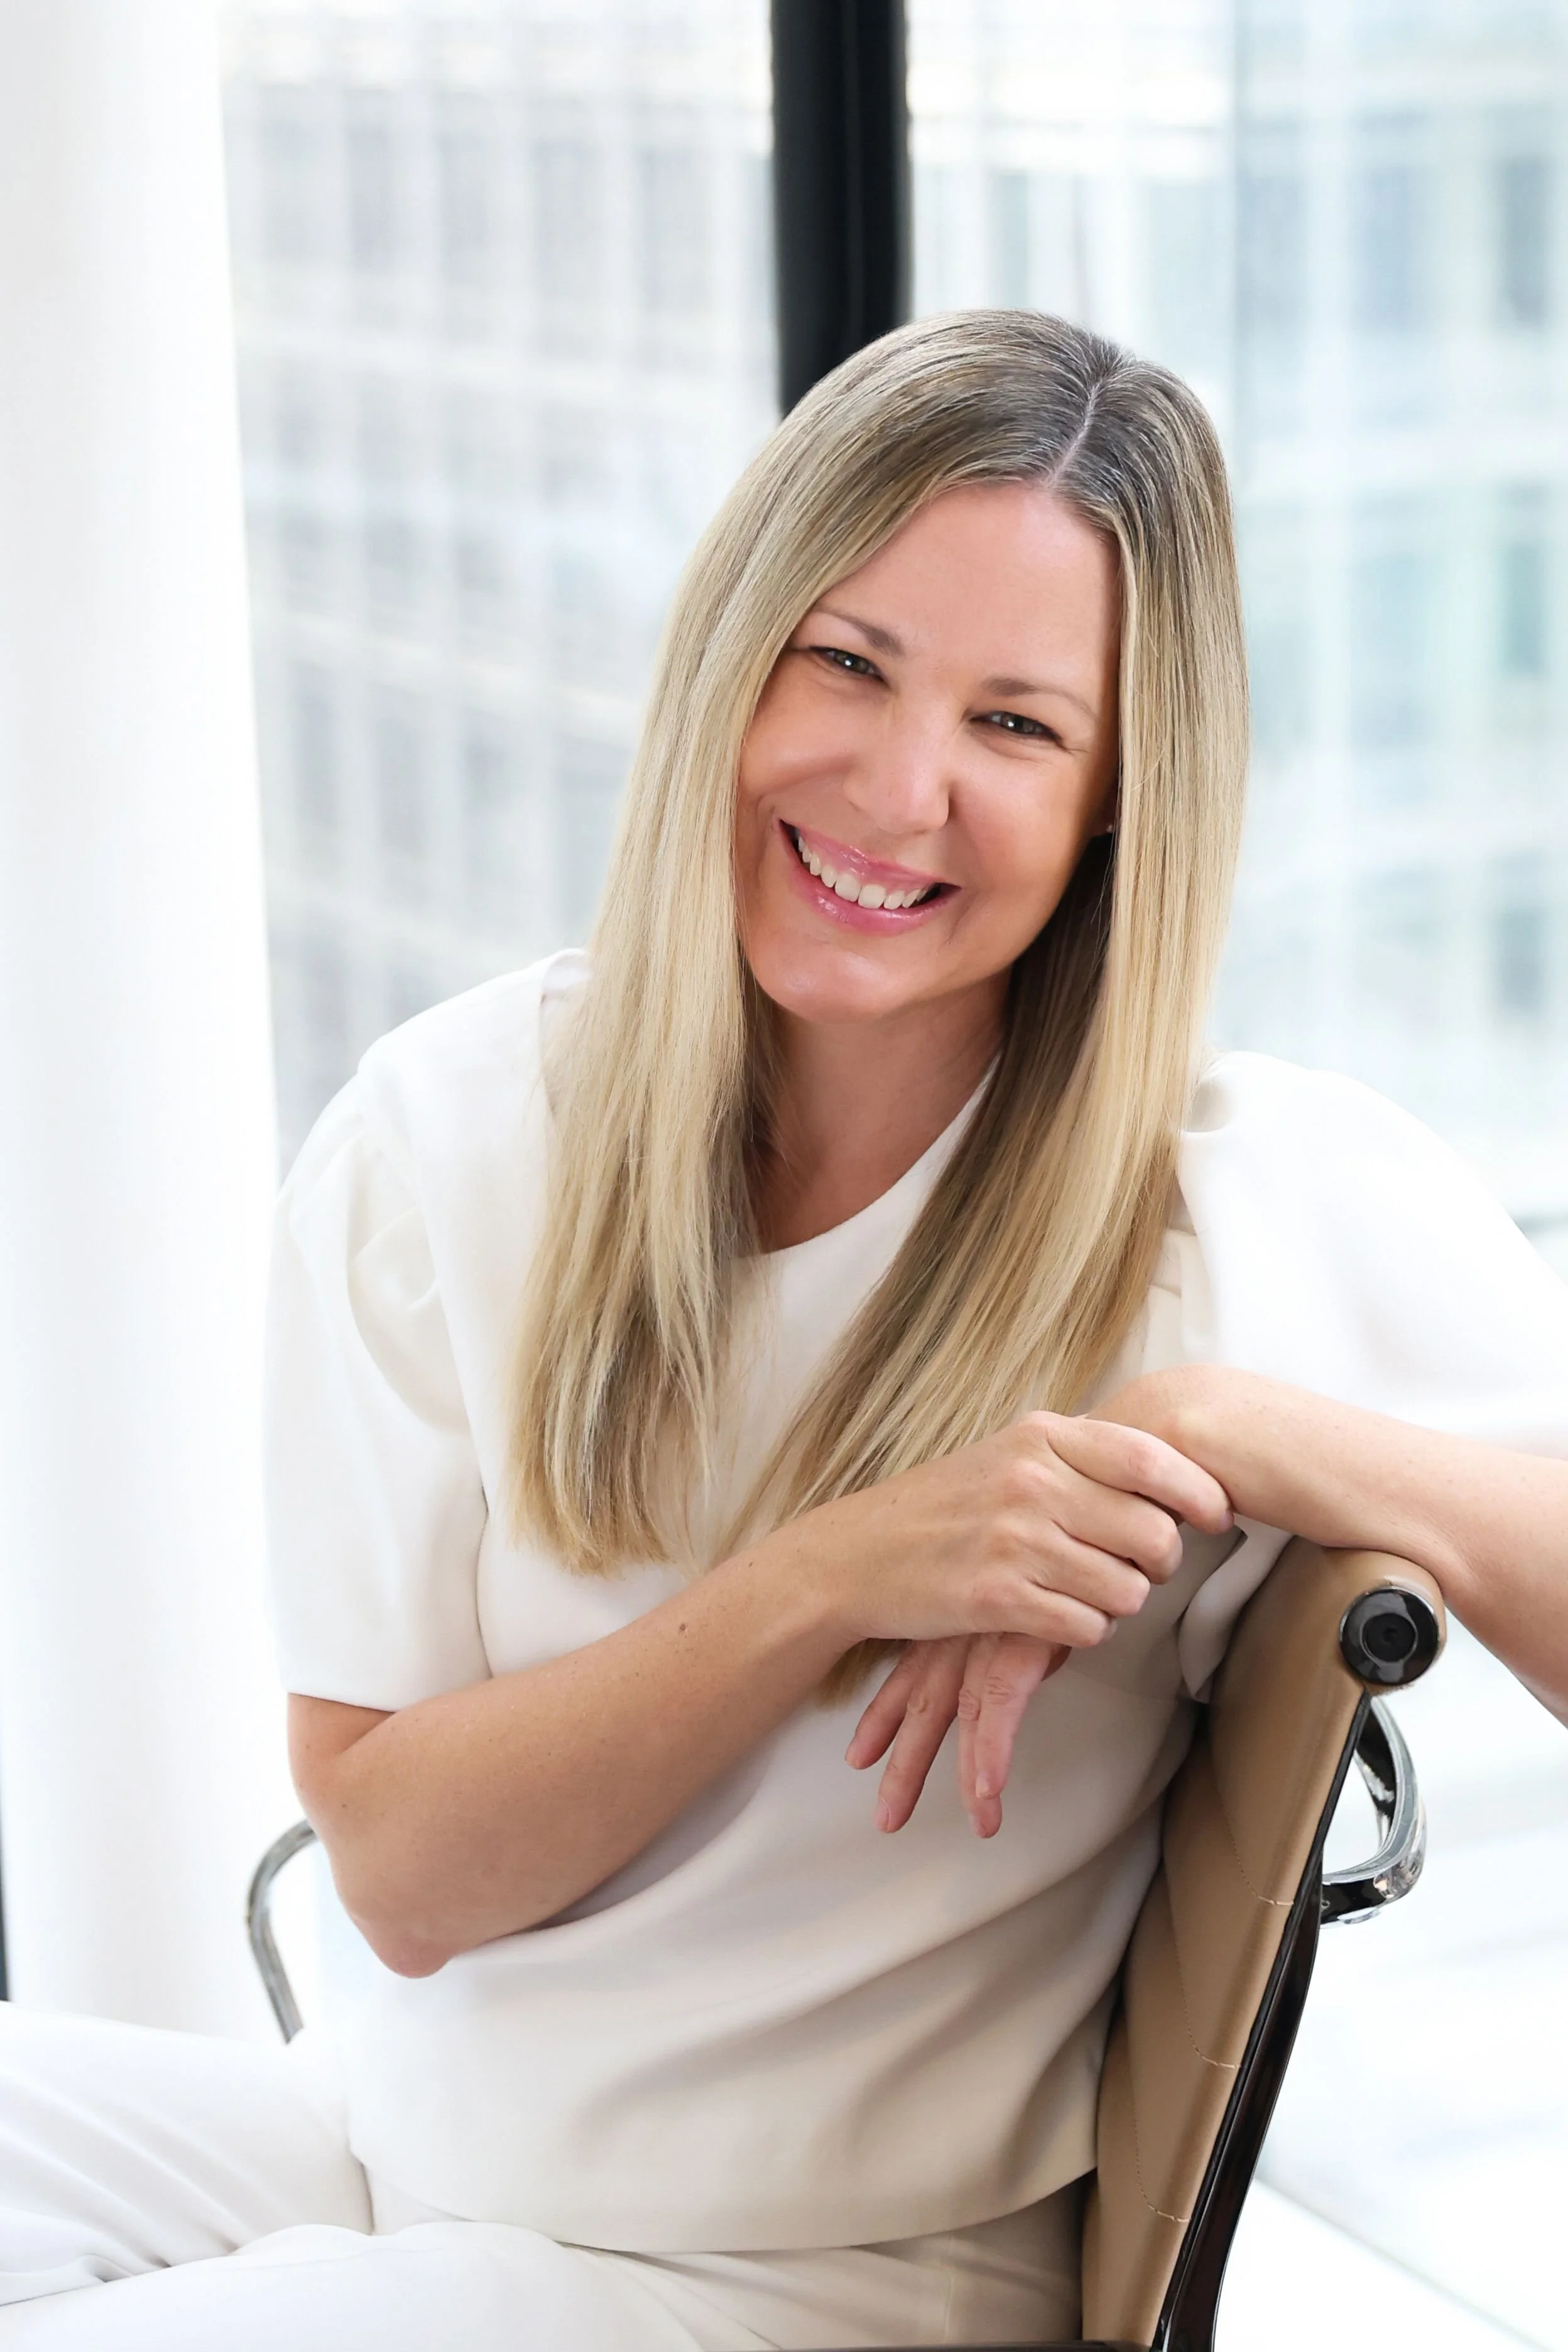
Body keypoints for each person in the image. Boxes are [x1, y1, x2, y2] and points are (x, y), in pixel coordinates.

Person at [1, 311, 1566, 2351]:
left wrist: (1226, 1422)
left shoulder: (1232, 1209)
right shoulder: (453, 1133)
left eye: (1019, 726)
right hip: (409, 2134)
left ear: (1120, 800)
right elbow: (400, 1874)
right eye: (847, 663)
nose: (901, 791)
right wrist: (835, 1576)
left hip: (819, 2282)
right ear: (730, 656)